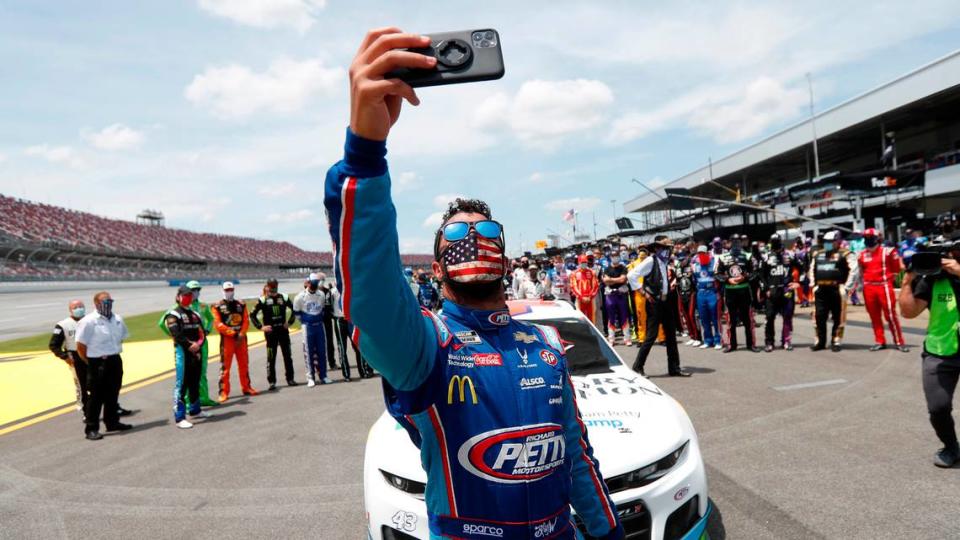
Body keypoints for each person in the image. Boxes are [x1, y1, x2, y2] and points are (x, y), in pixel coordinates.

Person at [321, 28, 624, 539]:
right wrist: (365, 155)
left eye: (485, 232)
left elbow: (576, 459)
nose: (472, 240)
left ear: (505, 259)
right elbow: (370, 297)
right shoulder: (426, 346)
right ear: (436, 269)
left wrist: (608, 532)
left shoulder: (548, 344)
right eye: (456, 235)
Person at [899, 235, 960, 468]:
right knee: (938, 408)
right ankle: (951, 446)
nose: (947, 258)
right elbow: (909, 312)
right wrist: (908, 281)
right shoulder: (933, 279)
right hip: (939, 351)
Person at [75, 291, 132, 440]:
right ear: (96, 304)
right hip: (97, 362)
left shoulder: (117, 319)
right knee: (96, 397)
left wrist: (112, 352)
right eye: (105, 302)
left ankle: (112, 422)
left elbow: (122, 338)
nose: (108, 304)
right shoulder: (88, 321)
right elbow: (80, 346)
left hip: (114, 360)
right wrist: (90, 361)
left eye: (110, 301)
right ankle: (91, 428)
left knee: (113, 393)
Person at [630, 236, 688, 377]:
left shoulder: (665, 262)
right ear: (657, 249)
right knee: (651, 336)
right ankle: (637, 366)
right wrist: (643, 292)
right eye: (664, 248)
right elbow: (632, 275)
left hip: (666, 302)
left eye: (668, 248)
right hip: (654, 303)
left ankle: (674, 368)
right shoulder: (651, 261)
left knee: (671, 335)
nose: (667, 251)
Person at [158, 280, 218, 407]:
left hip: (201, 343)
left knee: (201, 371)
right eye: (192, 290)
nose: (195, 293)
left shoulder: (202, 306)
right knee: (185, 377)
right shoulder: (176, 309)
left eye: (197, 290)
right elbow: (161, 323)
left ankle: (203, 398)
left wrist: (207, 330)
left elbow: (211, 319)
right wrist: (172, 335)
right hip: (185, 346)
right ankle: (185, 404)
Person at [163, 286, 211, 429]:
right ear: (178, 297)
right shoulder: (173, 314)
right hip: (183, 353)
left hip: (196, 352)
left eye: (190, 295)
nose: (188, 298)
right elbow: (176, 334)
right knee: (182, 384)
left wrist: (198, 344)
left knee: (194, 382)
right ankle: (179, 417)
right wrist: (190, 346)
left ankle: (195, 410)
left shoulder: (195, 313)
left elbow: (202, 332)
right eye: (185, 295)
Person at [859, 228, 909, 352]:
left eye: (870, 238)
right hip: (868, 287)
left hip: (884, 286)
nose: (867, 240)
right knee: (874, 316)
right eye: (865, 238)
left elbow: (896, 269)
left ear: (877, 239)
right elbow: (861, 271)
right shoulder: (862, 254)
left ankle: (899, 341)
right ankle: (880, 341)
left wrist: (889, 279)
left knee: (890, 315)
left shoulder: (888, 252)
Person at [212, 282, 258, 401]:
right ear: (222, 290)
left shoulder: (241, 304)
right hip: (228, 340)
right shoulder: (217, 306)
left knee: (244, 364)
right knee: (225, 367)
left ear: (234, 290)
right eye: (227, 290)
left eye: (231, 289)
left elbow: (246, 321)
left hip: (241, 339)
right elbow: (218, 324)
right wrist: (233, 334)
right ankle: (223, 392)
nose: (229, 291)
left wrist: (241, 334)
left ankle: (246, 387)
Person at [49, 300, 93, 422]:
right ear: (70, 310)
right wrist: (65, 357)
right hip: (76, 358)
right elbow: (53, 345)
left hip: (93, 355)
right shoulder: (63, 325)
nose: (79, 309)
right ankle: (87, 412)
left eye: (81, 306)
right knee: (82, 386)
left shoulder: (91, 320)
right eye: (75, 307)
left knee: (101, 383)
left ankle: (112, 407)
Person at [251, 278, 298, 390]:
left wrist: (290, 322)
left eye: (274, 284)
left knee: (288, 356)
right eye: (271, 285)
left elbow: (295, 309)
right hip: (271, 333)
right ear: (267, 285)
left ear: (277, 285)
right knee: (271, 357)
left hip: (283, 332)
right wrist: (261, 327)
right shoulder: (263, 300)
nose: (273, 286)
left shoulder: (284, 297)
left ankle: (290, 379)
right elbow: (252, 315)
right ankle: (272, 382)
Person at [717, 234, 760, 353]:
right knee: (731, 320)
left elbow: (755, 272)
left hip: (744, 291)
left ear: (741, 242)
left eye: (738, 241)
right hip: (730, 292)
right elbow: (717, 273)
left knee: (748, 320)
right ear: (729, 242)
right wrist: (727, 280)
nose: (736, 243)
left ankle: (751, 344)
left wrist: (745, 277)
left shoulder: (748, 255)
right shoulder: (723, 257)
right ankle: (732, 345)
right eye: (733, 241)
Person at [809, 231, 851, 352]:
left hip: (837, 289)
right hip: (821, 290)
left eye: (830, 242)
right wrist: (813, 285)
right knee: (818, 316)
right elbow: (812, 270)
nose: (827, 244)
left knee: (838, 317)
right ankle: (820, 342)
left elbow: (854, 271)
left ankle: (836, 341)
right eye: (825, 242)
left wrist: (847, 287)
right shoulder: (817, 254)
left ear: (837, 242)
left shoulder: (846, 254)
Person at [760, 234, 801, 352]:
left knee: (787, 316)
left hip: (786, 291)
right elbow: (761, 275)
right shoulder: (766, 257)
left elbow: (803, 268)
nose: (775, 244)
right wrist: (765, 289)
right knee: (769, 317)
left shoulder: (790, 255)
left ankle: (786, 341)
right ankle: (769, 342)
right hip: (772, 292)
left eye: (776, 241)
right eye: (773, 242)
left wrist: (798, 283)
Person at [294, 273, 332, 386]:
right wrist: (306, 321)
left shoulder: (321, 294)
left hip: (319, 326)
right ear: (308, 282)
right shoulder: (300, 297)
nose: (315, 286)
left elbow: (323, 309)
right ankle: (310, 377)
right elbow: (297, 314)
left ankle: (324, 376)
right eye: (313, 284)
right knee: (308, 352)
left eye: (316, 284)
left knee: (321, 351)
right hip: (307, 327)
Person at [690, 245, 722, 350]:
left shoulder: (713, 262)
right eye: (699, 253)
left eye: (703, 253)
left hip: (711, 292)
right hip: (701, 293)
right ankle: (708, 340)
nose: (701, 255)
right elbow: (694, 279)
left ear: (707, 252)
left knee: (715, 317)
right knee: (704, 318)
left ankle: (718, 340)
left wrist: (718, 292)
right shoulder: (695, 265)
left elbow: (718, 277)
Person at [602, 252, 632, 345]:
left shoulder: (623, 268)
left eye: (617, 256)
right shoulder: (606, 269)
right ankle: (611, 339)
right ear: (610, 257)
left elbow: (623, 279)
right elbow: (605, 281)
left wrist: (611, 279)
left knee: (624, 316)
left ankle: (627, 338)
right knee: (611, 317)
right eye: (613, 256)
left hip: (621, 294)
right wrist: (617, 280)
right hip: (610, 296)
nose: (615, 258)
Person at [570, 254, 600, 324]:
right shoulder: (574, 274)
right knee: (580, 318)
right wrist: (581, 297)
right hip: (579, 300)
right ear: (579, 263)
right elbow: (573, 287)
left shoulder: (592, 272)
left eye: (585, 262)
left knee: (592, 317)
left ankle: (592, 334)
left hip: (591, 299)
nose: (584, 264)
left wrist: (590, 296)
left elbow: (595, 285)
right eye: (582, 262)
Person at [319, 274, 339, 371]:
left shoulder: (328, 291)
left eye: (323, 279)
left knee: (329, 342)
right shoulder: (313, 292)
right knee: (319, 343)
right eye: (319, 279)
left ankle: (332, 362)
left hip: (327, 320)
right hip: (317, 321)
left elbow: (331, 305)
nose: (321, 281)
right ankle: (320, 364)